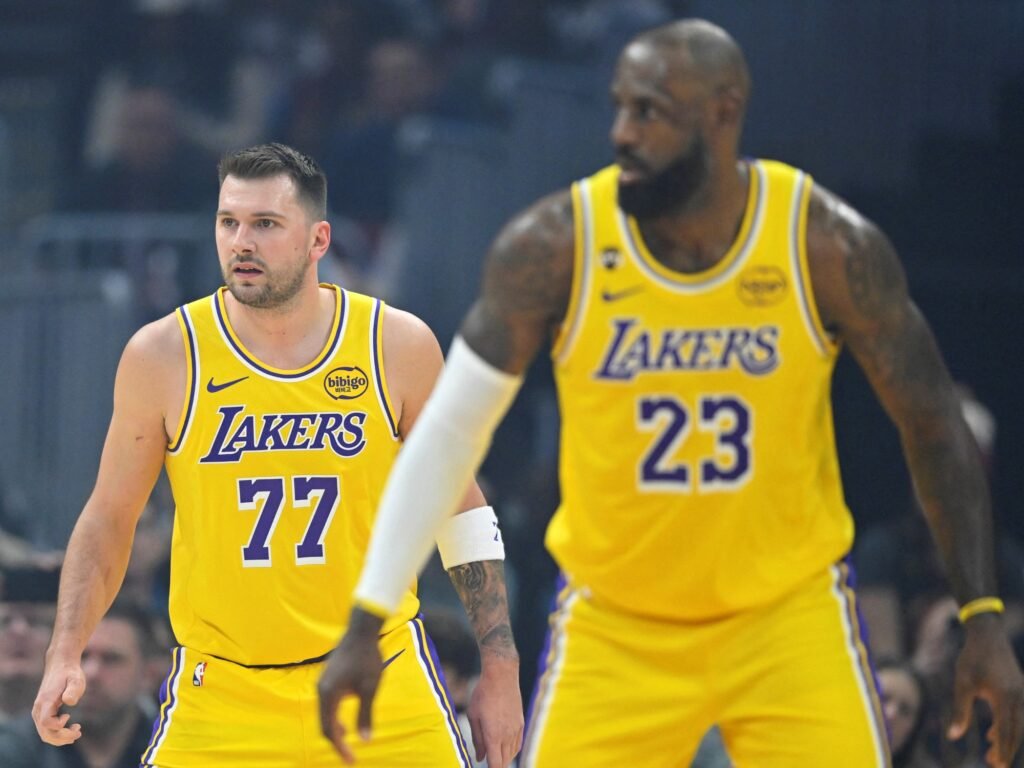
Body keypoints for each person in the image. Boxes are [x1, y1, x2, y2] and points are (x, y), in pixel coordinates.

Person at [318, 18, 1024, 768]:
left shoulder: (821, 242)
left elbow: (934, 423)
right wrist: (367, 617)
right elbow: (446, 438)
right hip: (618, 624)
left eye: (649, 111)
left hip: (784, 619)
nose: (622, 132)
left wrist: (982, 616)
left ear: (723, 112)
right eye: (620, 106)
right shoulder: (554, 246)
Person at [31, 143, 522, 767]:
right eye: (228, 222)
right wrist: (64, 651)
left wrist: (500, 669)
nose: (242, 242)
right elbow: (109, 519)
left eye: (265, 223)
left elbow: (461, 510)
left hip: (377, 676)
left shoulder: (396, 344)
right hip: (223, 692)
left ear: (318, 240)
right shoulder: (163, 355)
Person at [1, 601, 165, 767]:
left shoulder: (170, 746)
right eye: (81, 656)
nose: (91, 672)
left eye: (111, 659)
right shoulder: (13, 749)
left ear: (147, 674)